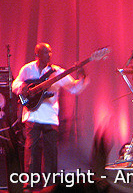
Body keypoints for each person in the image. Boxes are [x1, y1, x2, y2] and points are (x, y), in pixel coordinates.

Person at [12, 43, 88, 185]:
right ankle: (29, 182)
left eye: (50, 52)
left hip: (50, 117)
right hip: (32, 114)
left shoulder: (57, 71)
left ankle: (50, 183)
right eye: (46, 52)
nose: (49, 55)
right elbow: (15, 84)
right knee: (31, 149)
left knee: (51, 152)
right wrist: (22, 87)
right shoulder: (27, 69)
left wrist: (82, 73)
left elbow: (75, 88)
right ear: (37, 55)